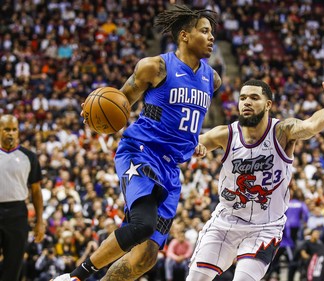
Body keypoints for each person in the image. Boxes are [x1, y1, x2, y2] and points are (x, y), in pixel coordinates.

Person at [52, 4, 221, 281]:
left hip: (170, 168)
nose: (211, 37)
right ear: (184, 35)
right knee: (142, 225)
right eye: (204, 31)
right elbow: (119, 103)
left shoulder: (212, 79)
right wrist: (93, 114)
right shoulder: (154, 67)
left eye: (212, 32)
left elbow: (187, 120)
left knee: (146, 257)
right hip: (141, 152)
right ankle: (74, 277)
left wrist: (194, 143)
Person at [186, 79, 324, 281]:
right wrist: (194, 147)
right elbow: (189, 144)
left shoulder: (282, 132)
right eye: (242, 98)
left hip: (265, 227)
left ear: (268, 104)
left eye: (254, 97)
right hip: (226, 222)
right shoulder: (225, 134)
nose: (246, 102)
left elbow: (311, 126)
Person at [0, 114, 45, 281]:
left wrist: (39, 221)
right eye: (6, 129)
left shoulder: (29, 156)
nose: (10, 133)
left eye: (14, 129)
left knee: (14, 264)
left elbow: (36, 191)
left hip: (17, 212)